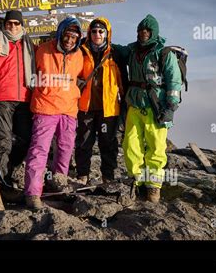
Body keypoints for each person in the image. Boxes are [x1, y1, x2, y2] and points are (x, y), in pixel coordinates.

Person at [113, 14, 182, 203]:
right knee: (130, 145)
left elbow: (174, 82)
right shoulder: (132, 50)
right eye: (140, 30)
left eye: (147, 31)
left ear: (153, 32)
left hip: (156, 107)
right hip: (134, 105)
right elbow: (117, 50)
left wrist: (170, 108)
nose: (143, 33)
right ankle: (136, 181)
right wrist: (101, 39)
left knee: (156, 147)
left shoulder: (164, 53)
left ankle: (153, 187)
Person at [24, 17, 84, 209]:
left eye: (74, 37)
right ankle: (33, 193)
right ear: (60, 33)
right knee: (39, 150)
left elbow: (80, 77)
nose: (70, 40)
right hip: (45, 108)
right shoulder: (42, 50)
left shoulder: (80, 55)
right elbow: (30, 72)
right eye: (67, 35)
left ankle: (59, 186)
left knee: (65, 151)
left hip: (69, 110)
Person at [0, 10, 36, 202]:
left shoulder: (29, 45)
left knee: (25, 139)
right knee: (2, 141)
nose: (13, 27)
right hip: (1, 98)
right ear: (4, 25)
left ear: (22, 25)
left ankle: (9, 171)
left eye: (16, 23)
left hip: (25, 99)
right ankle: (3, 185)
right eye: (9, 23)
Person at [75, 18, 124, 185]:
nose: (97, 34)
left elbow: (122, 80)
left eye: (101, 31)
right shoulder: (81, 51)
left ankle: (108, 177)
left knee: (108, 144)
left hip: (108, 109)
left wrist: (124, 105)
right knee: (83, 143)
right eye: (94, 31)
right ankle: (82, 176)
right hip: (85, 107)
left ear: (107, 33)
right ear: (89, 33)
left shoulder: (115, 54)